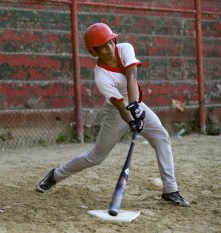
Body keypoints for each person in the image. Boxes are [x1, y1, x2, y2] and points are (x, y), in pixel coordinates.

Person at [36, 23, 190, 207]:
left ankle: (170, 190)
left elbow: (132, 76)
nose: (109, 48)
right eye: (103, 46)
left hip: (136, 104)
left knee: (161, 136)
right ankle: (55, 175)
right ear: (94, 51)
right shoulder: (101, 76)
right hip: (116, 113)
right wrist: (132, 120)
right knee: (96, 157)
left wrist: (135, 107)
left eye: (110, 42)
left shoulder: (125, 48)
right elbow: (119, 106)